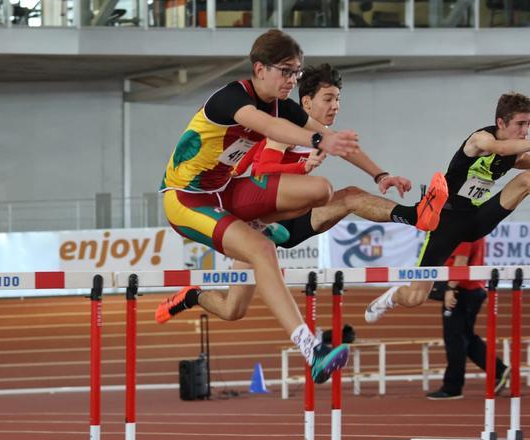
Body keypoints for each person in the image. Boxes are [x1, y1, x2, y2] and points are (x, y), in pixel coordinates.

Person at [157, 29, 405, 384]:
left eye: (297, 73)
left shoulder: (280, 104)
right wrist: (319, 139)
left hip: (226, 191)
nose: (292, 80)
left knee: (320, 191)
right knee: (261, 250)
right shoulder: (230, 99)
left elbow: (331, 138)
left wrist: (380, 174)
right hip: (185, 198)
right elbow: (270, 126)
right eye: (286, 71)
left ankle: (221, 266)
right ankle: (311, 349)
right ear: (260, 69)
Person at [156, 63, 447, 331]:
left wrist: (382, 175)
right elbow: (262, 172)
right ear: (306, 102)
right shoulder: (284, 130)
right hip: (255, 216)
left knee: (349, 197)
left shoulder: (318, 133)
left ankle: (415, 215)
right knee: (233, 309)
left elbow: (347, 150)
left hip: (287, 220)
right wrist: (300, 166)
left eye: (338, 99)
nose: (336, 106)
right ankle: (193, 295)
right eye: (328, 99)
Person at [365, 92, 530, 323]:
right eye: (520, 124)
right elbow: (499, 148)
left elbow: (515, 154)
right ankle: (393, 296)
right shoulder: (481, 139)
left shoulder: (515, 154)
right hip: (445, 221)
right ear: (501, 123)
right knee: (415, 297)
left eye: (529, 124)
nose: (525, 131)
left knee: (527, 179)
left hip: (476, 220)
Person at [427, 237, 509, 400]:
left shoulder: (464, 232)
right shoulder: (476, 229)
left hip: (462, 290)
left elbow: (461, 261)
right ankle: (499, 370)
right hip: (471, 288)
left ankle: (452, 388)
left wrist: (451, 288)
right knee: (466, 337)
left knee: (454, 339)